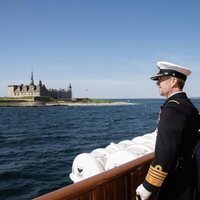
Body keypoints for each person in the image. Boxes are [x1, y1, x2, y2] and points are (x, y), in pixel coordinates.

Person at [136, 61, 200, 200]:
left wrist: (148, 186)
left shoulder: (173, 109)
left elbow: (166, 151)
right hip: (189, 174)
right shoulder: (187, 105)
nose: (157, 83)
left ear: (173, 81)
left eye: (160, 79)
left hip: (175, 181)